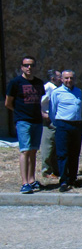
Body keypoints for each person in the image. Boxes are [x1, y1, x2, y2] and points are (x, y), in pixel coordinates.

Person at [5, 56, 46, 194]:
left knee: (33, 150)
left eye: (32, 65)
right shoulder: (15, 83)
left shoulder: (39, 83)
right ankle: (24, 183)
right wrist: (19, 113)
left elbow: (40, 101)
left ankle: (32, 179)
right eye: (26, 65)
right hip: (23, 120)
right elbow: (8, 103)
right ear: (21, 67)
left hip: (36, 121)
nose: (29, 67)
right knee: (25, 150)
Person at [48, 70, 81, 192]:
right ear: (61, 79)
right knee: (62, 154)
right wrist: (58, 124)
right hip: (63, 124)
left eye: (71, 78)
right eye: (66, 78)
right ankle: (63, 180)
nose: (69, 80)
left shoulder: (78, 92)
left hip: (76, 125)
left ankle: (73, 178)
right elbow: (52, 111)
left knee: (74, 153)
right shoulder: (57, 93)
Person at [40, 69, 60, 180]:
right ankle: (46, 170)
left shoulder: (57, 89)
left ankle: (56, 170)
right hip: (48, 121)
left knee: (55, 147)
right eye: (59, 77)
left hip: (56, 120)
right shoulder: (47, 88)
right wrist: (43, 114)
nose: (61, 79)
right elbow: (40, 101)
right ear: (53, 78)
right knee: (48, 146)